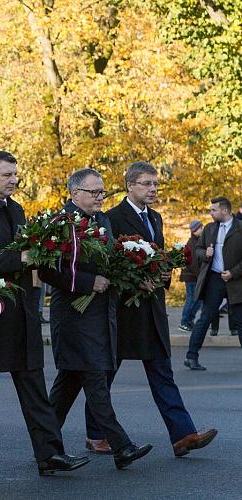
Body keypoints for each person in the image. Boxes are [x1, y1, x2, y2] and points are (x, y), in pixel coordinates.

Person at [0, 151, 88, 476]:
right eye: (6, 175)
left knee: (34, 387)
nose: (13, 180)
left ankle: (50, 455)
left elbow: (29, 253)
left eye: (15, 175)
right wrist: (23, 260)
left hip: (20, 314)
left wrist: (51, 252)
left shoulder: (16, 209)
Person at [83, 162, 217, 458]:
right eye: (146, 184)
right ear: (130, 185)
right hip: (123, 311)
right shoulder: (111, 217)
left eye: (155, 184)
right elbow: (107, 262)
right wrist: (134, 281)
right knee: (106, 373)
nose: (153, 189)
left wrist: (164, 276)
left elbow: (157, 258)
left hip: (152, 310)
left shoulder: (155, 217)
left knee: (162, 372)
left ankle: (183, 435)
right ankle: (95, 434)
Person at [40, 168, 152, 470]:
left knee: (67, 387)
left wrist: (134, 276)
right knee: (95, 377)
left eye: (103, 191)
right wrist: (89, 282)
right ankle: (122, 446)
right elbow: (49, 269)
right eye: (94, 192)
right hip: (74, 315)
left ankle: (44, 446)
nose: (101, 197)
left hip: (101, 313)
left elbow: (112, 259)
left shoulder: (102, 221)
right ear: (75, 193)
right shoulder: (60, 222)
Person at [185, 196, 242, 368]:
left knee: (240, 321)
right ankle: (191, 357)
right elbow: (198, 250)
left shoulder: (240, 229)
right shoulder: (209, 229)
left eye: (213, 210)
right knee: (205, 318)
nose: (210, 213)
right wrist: (205, 254)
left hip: (236, 280)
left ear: (225, 210)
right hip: (214, 280)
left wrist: (233, 273)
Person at [179, 220, 205, 331]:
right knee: (192, 300)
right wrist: (201, 276)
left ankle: (189, 321)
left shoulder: (196, 241)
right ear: (195, 230)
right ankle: (184, 322)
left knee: (197, 300)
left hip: (193, 276)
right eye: (200, 228)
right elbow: (193, 264)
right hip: (191, 277)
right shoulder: (192, 243)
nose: (202, 230)